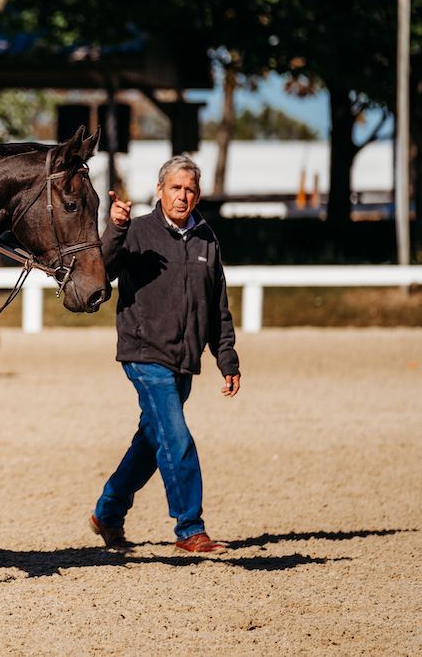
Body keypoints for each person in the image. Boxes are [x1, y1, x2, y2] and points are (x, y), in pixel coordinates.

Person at [89, 155, 241, 554]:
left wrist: (227, 359)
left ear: (198, 195)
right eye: (175, 188)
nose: (182, 195)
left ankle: (107, 512)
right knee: (175, 436)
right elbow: (101, 269)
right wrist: (116, 228)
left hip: (185, 359)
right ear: (160, 191)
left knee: (152, 443)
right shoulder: (137, 231)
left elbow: (217, 306)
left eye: (189, 189)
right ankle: (190, 528)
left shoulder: (208, 239)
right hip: (144, 353)